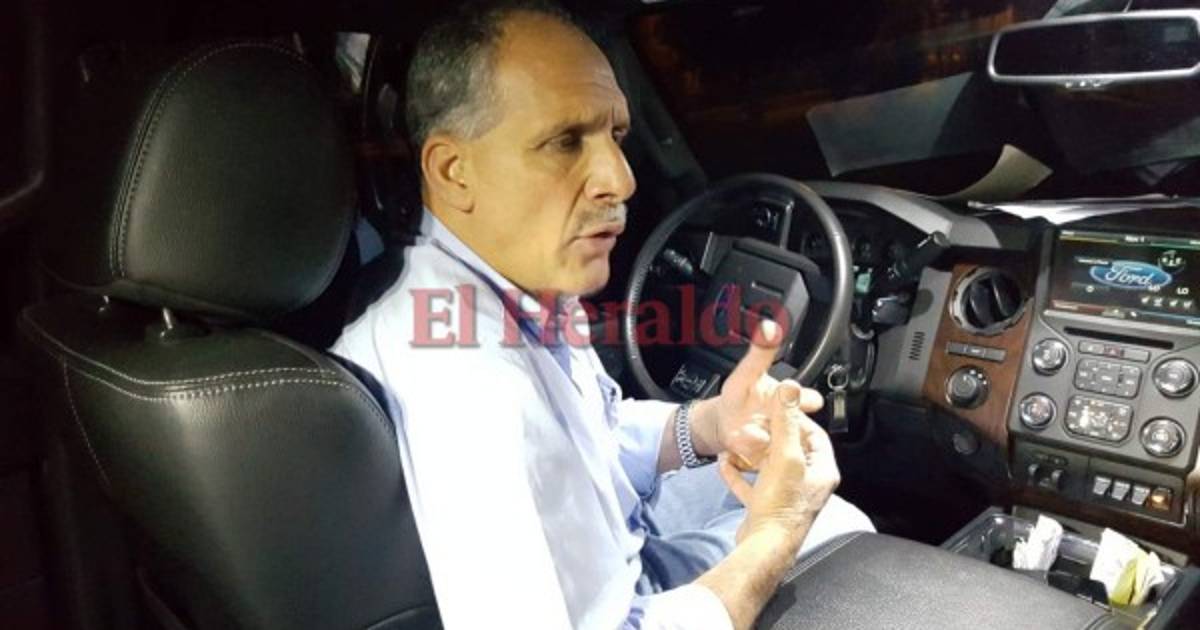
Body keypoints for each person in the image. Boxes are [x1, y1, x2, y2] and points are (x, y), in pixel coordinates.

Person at [333, 2, 874, 628]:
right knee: (835, 524)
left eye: (615, 135)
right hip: (624, 599)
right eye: (565, 141)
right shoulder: (466, 384)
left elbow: (593, 436)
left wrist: (708, 425)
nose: (620, 179)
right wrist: (775, 532)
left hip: (625, 545)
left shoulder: (494, 290)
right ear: (453, 172)